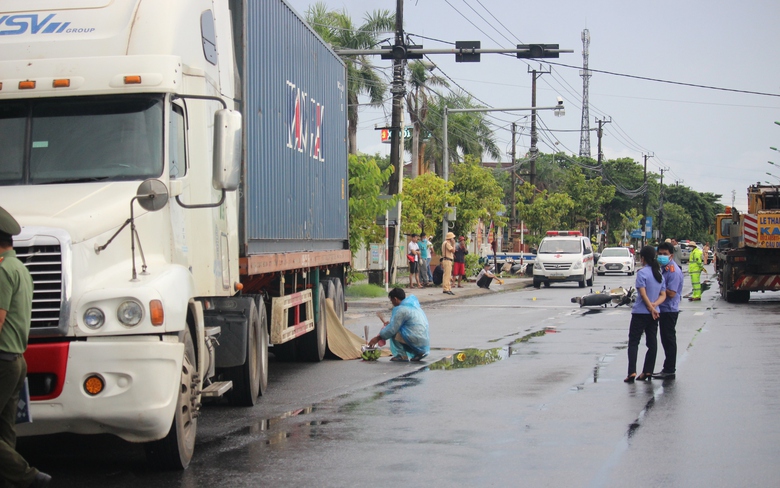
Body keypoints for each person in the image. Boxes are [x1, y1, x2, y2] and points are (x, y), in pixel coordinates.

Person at [0, 206, 51, 487]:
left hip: (2, 359)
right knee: (5, 428)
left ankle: (28, 476)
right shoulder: (20, 267)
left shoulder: (2, 271)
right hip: (17, 358)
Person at [625, 245, 666, 383]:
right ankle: (648, 370)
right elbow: (663, 295)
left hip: (640, 313)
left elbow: (642, 294)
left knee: (633, 342)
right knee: (652, 342)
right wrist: (655, 306)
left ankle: (632, 371)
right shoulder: (658, 274)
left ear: (642, 258)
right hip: (654, 314)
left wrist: (650, 307)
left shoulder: (642, 273)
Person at [368, 288, 430, 362]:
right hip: (422, 339)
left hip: (414, 338)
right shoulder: (413, 306)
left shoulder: (401, 310)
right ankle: (419, 352)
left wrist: (378, 338)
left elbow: (392, 329)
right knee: (396, 329)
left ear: (395, 299)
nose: (392, 303)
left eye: (392, 301)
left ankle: (402, 355)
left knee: (394, 332)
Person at [654, 242, 683, 380]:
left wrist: (656, 291)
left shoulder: (673, 271)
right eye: (660, 254)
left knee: (669, 339)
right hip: (663, 308)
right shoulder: (663, 268)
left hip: (669, 309)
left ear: (671, 255)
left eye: (665, 254)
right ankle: (667, 368)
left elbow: (671, 293)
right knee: (665, 339)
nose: (662, 256)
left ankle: (670, 369)